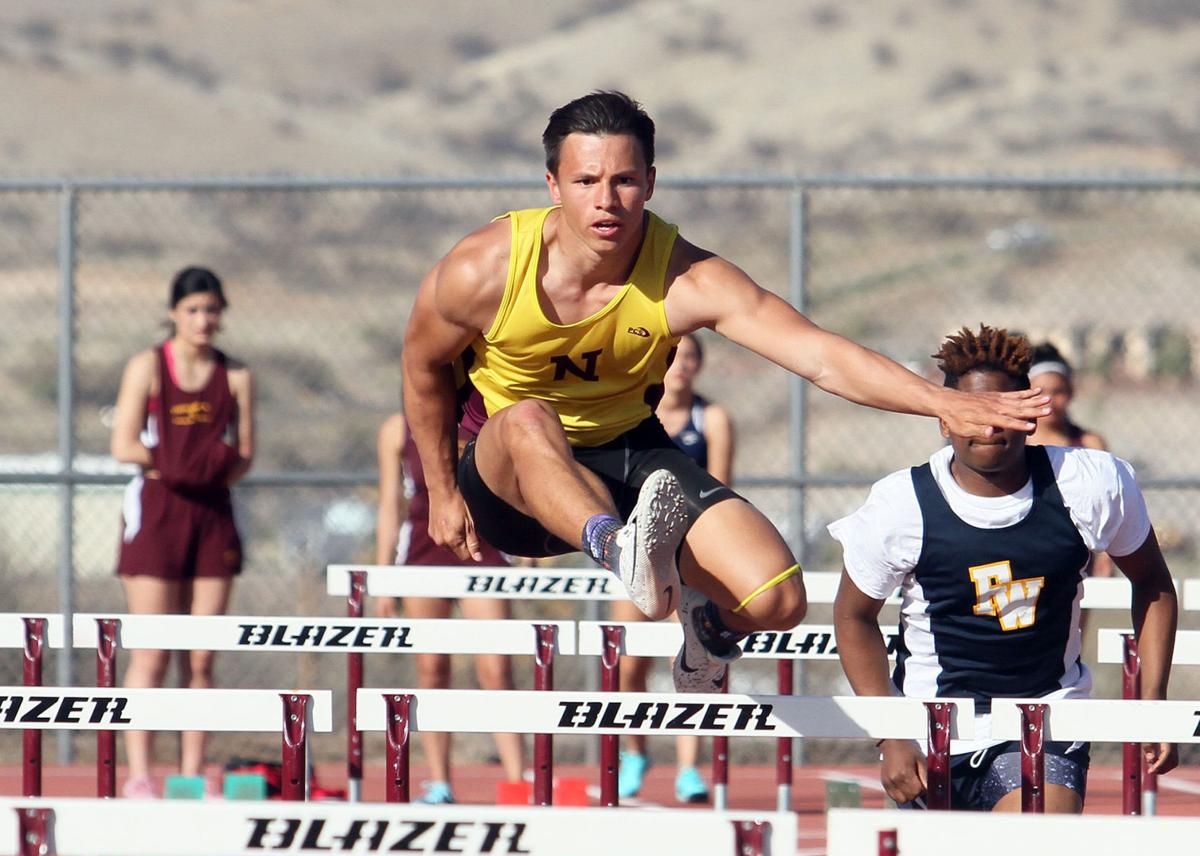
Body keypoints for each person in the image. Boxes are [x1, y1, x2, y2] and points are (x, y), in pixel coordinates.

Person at [401, 90, 1050, 698]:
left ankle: (706, 634)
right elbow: (422, 366)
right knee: (527, 417)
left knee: (777, 599)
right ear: (553, 185)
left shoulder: (684, 275)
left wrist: (943, 401)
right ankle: (619, 548)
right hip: (509, 482)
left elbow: (820, 356)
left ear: (651, 182)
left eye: (625, 180)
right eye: (586, 181)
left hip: (626, 453)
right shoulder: (483, 268)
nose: (607, 200)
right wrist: (440, 490)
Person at [830, 325, 1177, 856]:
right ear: (943, 418)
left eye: (1002, 410)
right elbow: (853, 617)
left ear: (1031, 414)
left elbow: (1155, 586)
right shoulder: (900, 504)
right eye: (971, 411)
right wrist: (890, 735)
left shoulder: (1088, 482)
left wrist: (1152, 701)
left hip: (1046, 716)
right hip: (933, 729)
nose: (987, 425)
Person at [111, 266, 255, 799]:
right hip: (159, 510)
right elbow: (124, 444)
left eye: (212, 309)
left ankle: (191, 773)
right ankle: (140, 773)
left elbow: (244, 454)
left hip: (212, 513)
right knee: (152, 652)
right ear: (174, 313)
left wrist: (209, 468)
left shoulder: (235, 375)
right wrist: (176, 463)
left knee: (201, 654)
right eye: (193, 309)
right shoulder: (147, 366)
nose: (203, 319)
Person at [374, 411, 525, 804]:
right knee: (431, 669)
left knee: (496, 669)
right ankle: (440, 781)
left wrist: (528, 546)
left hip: (485, 547)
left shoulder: (488, 413)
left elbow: (520, 479)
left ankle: (517, 783)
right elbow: (390, 504)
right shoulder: (397, 428)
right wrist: (383, 576)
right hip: (425, 551)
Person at [615, 333, 733, 802]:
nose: (681, 366)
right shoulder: (632, 415)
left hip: (693, 556)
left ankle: (688, 768)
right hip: (636, 551)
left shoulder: (713, 418)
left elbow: (722, 489)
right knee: (627, 662)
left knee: (687, 657)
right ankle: (635, 754)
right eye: (674, 357)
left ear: (699, 366)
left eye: (690, 358)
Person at [1026, 340, 1113, 577]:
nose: (1050, 401)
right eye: (1041, 392)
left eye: (1058, 392)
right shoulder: (1017, 444)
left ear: (1071, 392)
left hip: (1080, 551)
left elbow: (1106, 503)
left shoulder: (1089, 443)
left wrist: (1106, 554)